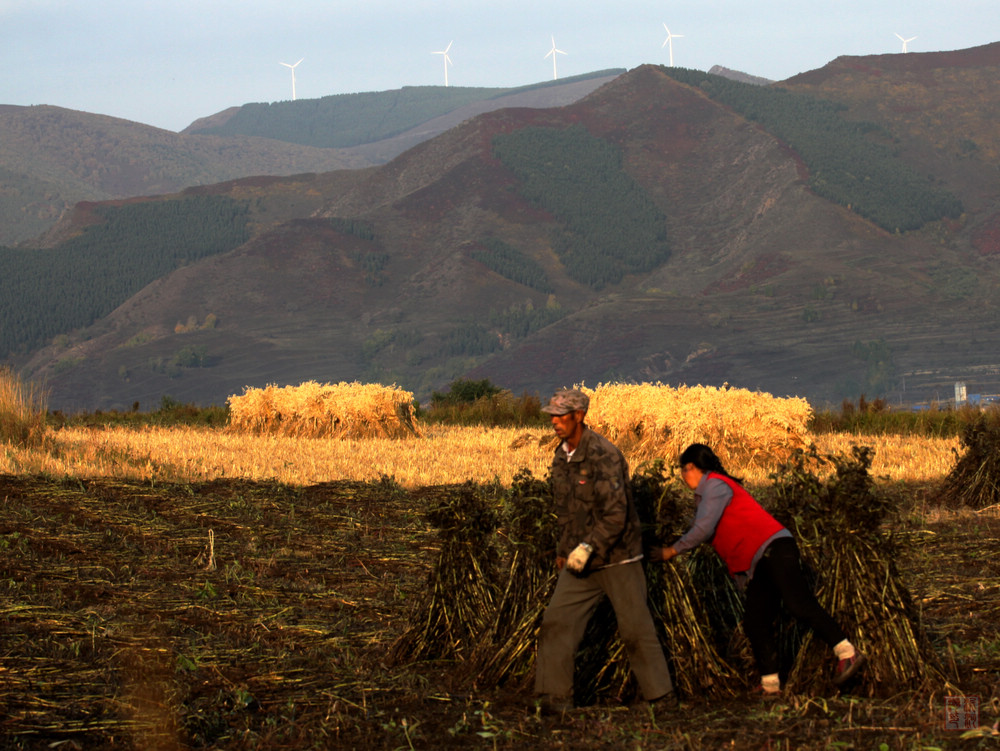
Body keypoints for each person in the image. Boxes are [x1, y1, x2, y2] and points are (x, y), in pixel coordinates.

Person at [655, 442, 866, 696]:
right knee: (755, 622)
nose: (681, 476)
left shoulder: (714, 485)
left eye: (682, 470)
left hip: (774, 550)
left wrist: (671, 551)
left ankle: (847, 653)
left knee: (798, 604)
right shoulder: (708, 491)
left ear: (692, 467)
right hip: (759, 561)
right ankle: (770, 686)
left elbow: (702, 529)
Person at [534, 388, 677, 714]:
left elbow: (616, 514)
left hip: (617, 558)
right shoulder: (561, 456)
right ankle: (554, 699)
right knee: (556, 622)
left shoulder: (604, 455)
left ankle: (662, 699)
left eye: (560, 415)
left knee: (635, 630)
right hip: (579, 561)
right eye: (551, 416)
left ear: (579, 416)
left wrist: (587, 547)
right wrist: (564, 549)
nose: (554, 421)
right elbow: (566, 509)